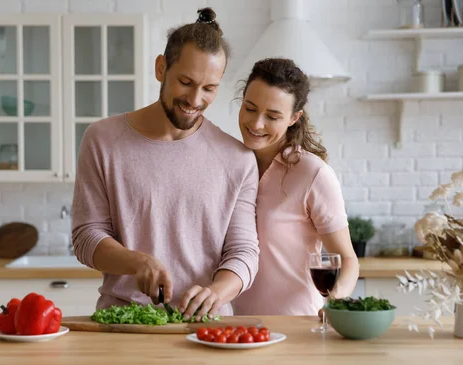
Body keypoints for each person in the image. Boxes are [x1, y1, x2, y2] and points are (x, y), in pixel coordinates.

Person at [71, 8, 259, 320]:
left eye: (209, 88)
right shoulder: (102, 140)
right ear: (161, 68)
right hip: (124, 323)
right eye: (185, 82)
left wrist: (218, 292)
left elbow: (244, 252)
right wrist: (137, 262)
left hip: (206, 327)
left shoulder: (236, 159)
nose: (195, 99)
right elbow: (86, 236)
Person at [232, 58, 359, 316]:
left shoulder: (312, 174)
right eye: (250, 108)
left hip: (295, 325)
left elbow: (347, 259)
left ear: (294, 118)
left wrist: (336, 300)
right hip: (229, 324)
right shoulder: (227, 163)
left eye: (272, 116)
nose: (256, 124)